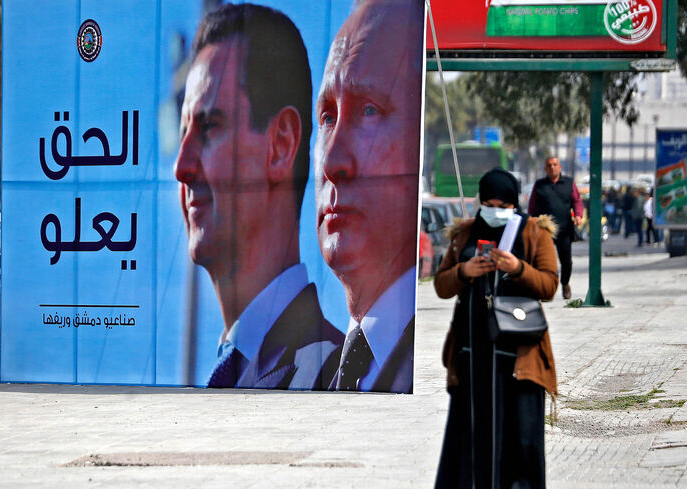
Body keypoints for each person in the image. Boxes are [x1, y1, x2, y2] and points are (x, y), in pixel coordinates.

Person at [174, 3, 343, 390]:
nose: (180, 166)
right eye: (184, 133)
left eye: (209, 127)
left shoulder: (334, 374)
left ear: (281, 144)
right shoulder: (236, 368)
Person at [314, 0, 423, 393]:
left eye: (369, 111)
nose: (332, 161)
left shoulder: (442, 361)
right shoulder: (321, 365)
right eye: (327, 117)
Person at [433, 168, 558, 489]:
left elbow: (549, 285)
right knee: (469, 440)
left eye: (503, 205)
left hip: (518, 360)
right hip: (472, 356)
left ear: (514, 203)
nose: (496, 211)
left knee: (519, 443)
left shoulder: (533, 232)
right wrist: (465, 270)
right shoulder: (465, 233)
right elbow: (442, 286)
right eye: (489, 203)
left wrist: (517, 268)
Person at [528, 156, 583, 299]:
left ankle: (565, 284)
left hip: (564, 229)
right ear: (545, 169)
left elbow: (576, 201)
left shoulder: (569, 183)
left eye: (555, 164)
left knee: (566, 261)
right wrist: (530, 221)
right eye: (549, 165)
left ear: (560, 167)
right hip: (544, 230)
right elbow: (532, 206)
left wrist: (578, 215)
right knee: (543, 260)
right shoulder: (539, 185)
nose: (552, 167)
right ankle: (545, 287)